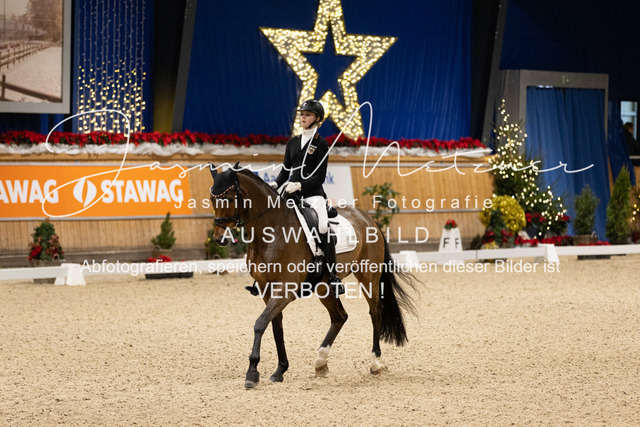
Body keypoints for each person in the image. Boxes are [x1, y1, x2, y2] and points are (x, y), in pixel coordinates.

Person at [270, 99, 344, 295]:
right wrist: (276, 184)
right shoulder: (292, 142)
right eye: (302, 114)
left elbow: (320, 177)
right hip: (290, 192)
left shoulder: (321, 144)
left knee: (322, 226)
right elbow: (285, 170)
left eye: (308, 114)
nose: (303, 117)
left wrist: (300, 185)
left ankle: (333, 275)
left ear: (317, 118)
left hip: (313, 195)